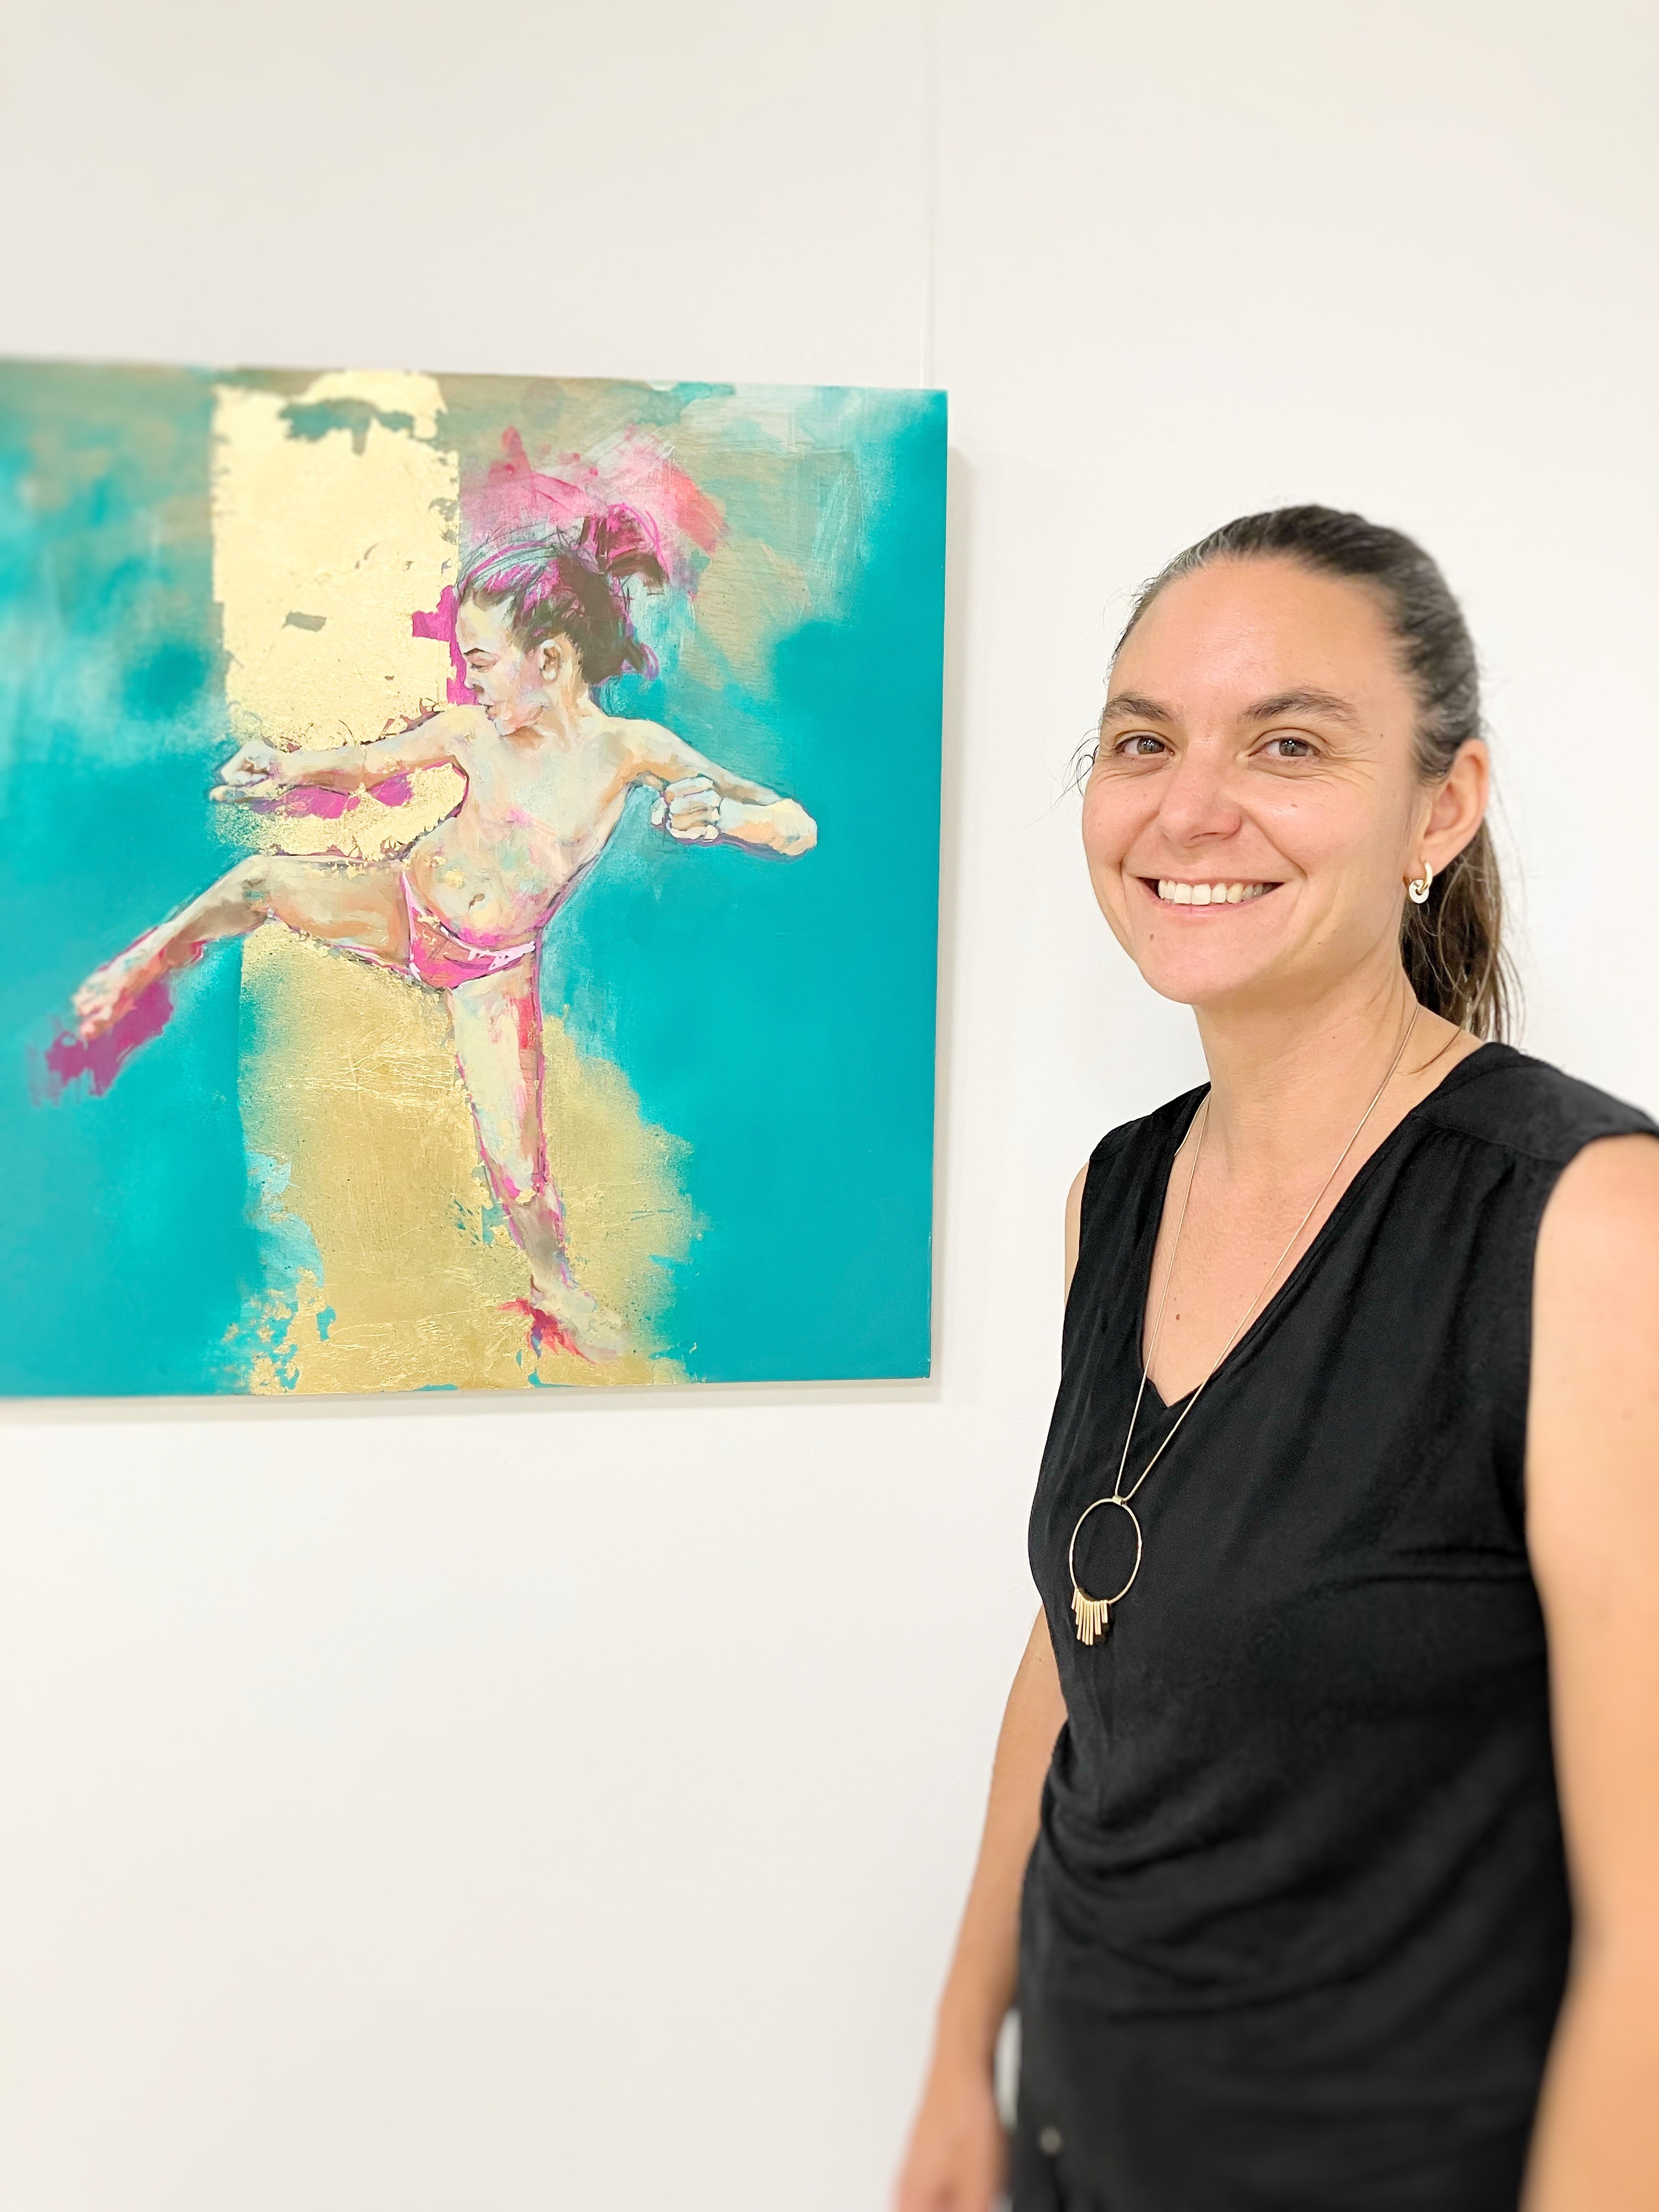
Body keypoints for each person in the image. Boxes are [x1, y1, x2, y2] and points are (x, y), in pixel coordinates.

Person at [896, 507, 1659, 2210]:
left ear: (1440, 810)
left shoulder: (1585, 1221)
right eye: (1141, 742)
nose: (1190, 808)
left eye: (1288, 745)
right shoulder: (1120, 1193)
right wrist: (962, 2053)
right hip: (1083, 2153)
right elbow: (1090, 1643)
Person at [72, 509, 817, 1359]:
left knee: (518, 1164)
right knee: (260, 881)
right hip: (402, 907)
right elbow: (368, 764)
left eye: (482, 663)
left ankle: (557, 1291)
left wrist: (726, 817)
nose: (472, 685)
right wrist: (282, 767)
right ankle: (138, 967)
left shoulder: (630, 751)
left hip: (491, 971)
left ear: (550, 661)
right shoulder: (473, 733)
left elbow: (795, 826)